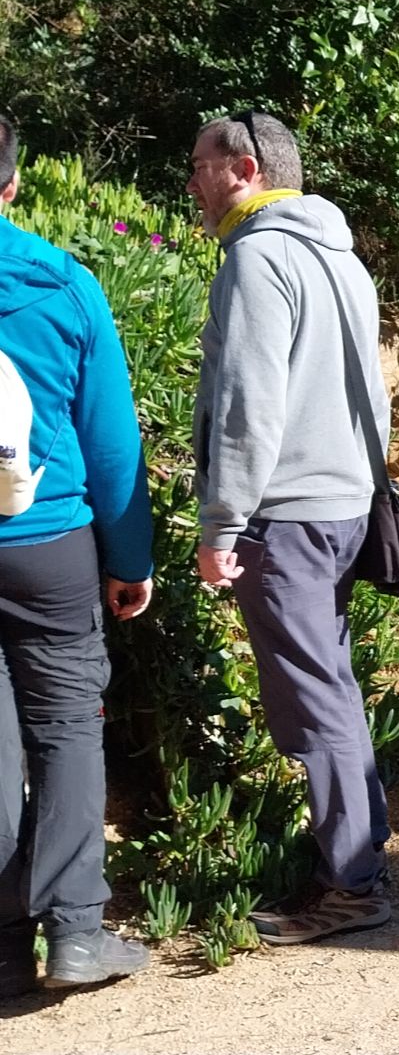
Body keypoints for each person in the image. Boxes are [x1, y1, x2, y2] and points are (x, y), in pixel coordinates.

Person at [187, 111, 395, 943]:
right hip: (343, 505)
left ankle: (352, 885)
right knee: (332, 689)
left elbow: (248, 405)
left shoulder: (258, 257)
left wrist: (222, 524)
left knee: (314, 703)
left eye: (200, 165)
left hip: (288, 515)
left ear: (244, 170)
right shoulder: (339, 254)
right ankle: (360, 861)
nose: (192, 183)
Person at [0, 115, 155, 992]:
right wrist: (129, 559)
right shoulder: (64, 285)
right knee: (64, 731)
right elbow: (111, 442)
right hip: (48, 544)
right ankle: (76, 935)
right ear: (13, 185)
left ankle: (2, 949)